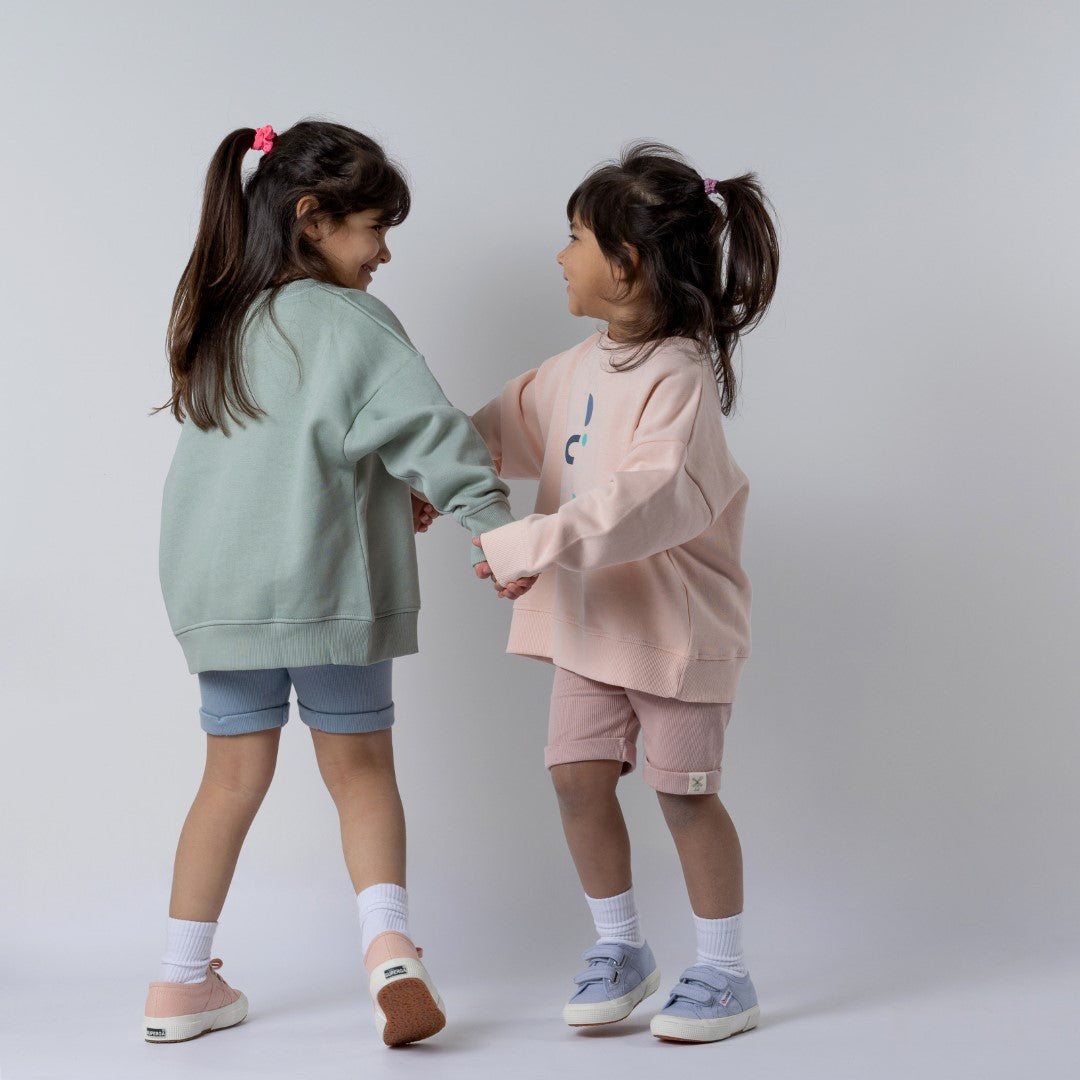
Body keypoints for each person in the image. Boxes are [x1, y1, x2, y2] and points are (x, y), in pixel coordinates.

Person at [145, 120, 517, 1047]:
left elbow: (282, 460)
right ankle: (390, 951)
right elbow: (428, 430)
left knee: (228, 778)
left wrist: (386, 488)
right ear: (311, 218)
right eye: (373, 228)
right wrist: (498, 530)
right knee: (359, 773)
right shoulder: (351, 321)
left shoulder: (217, 322)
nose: (385, 250)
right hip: (329, 593)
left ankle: (178, 983)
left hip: (219, 598)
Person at [470, 143, 779, 1044]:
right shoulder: (573, 368)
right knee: (574, 777)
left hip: (675, 632)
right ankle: (621, 949)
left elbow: (639, 503)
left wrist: (528, 541)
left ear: (625, 262)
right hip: (593, 625)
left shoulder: (679, 377)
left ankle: (724, 971)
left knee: (683, 794)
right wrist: (430, 478)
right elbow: (494, 431)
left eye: (572, 237)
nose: (559, 256)